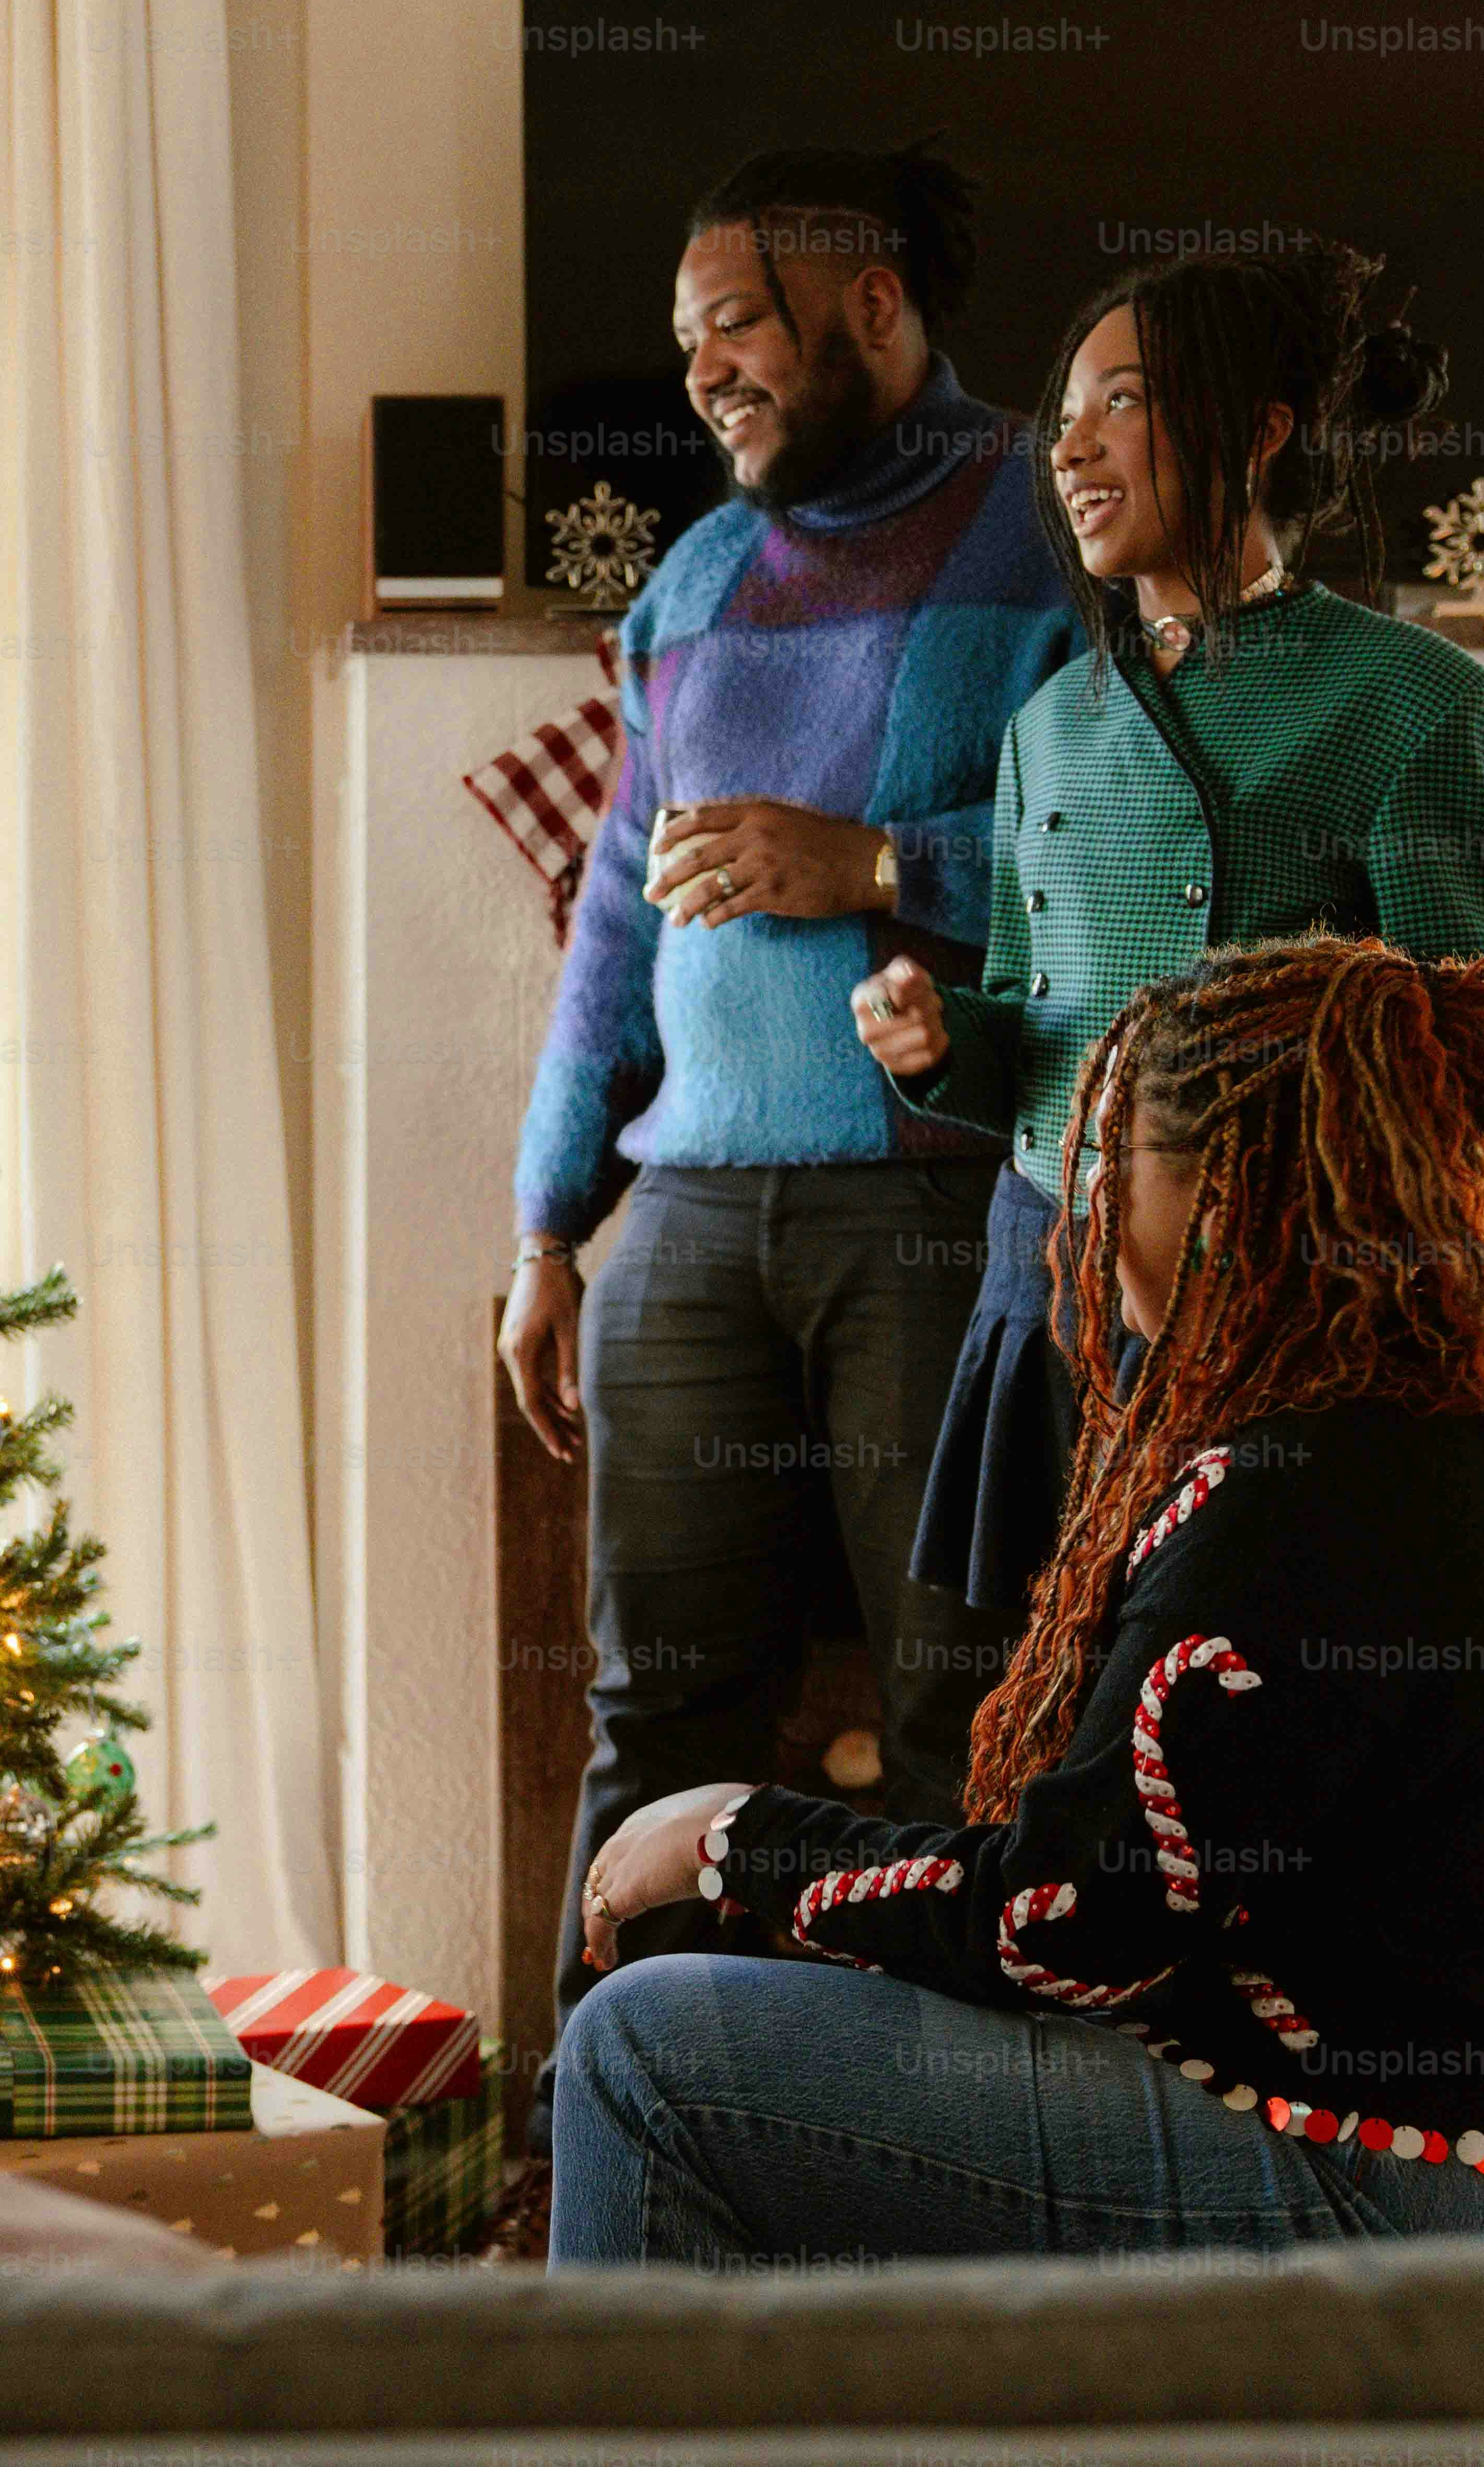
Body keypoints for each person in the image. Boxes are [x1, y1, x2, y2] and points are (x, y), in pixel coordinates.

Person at [553, 937, 1484, 2265]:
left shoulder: (1289, 1488)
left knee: (638, 2049)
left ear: (1230, 1197)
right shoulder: (1432, 1422)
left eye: (1114, 1162)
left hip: (1424, 2187)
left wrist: (737, 1834)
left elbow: (1064, 1924)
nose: (1085, 1208)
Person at [500, 143, 1073, 2114]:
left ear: (874, 305)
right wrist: (547, 1221)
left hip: (933, 1216)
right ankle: (602, 2166)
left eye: (738, 322)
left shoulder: (1050, 530)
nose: (704, 372)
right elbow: (615, 919)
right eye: (687, 341)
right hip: (684, 1224)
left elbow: (1132, 852)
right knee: (654, 1726)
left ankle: (928, 2176)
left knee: (957, 1719)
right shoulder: (689, 584)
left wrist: (879, 862)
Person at [853, 241, 1484, 1624]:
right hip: (1046, 1281)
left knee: (1235, 1698)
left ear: (1258, 429)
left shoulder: (1414, 701)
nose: (1070, 449)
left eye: (1122, 402)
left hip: (1278, 1303)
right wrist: (935, 1041)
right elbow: (1033, 1034)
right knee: (1032, 1709)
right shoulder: (1047, 726)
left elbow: (1480, 1058)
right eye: (1064, 417)